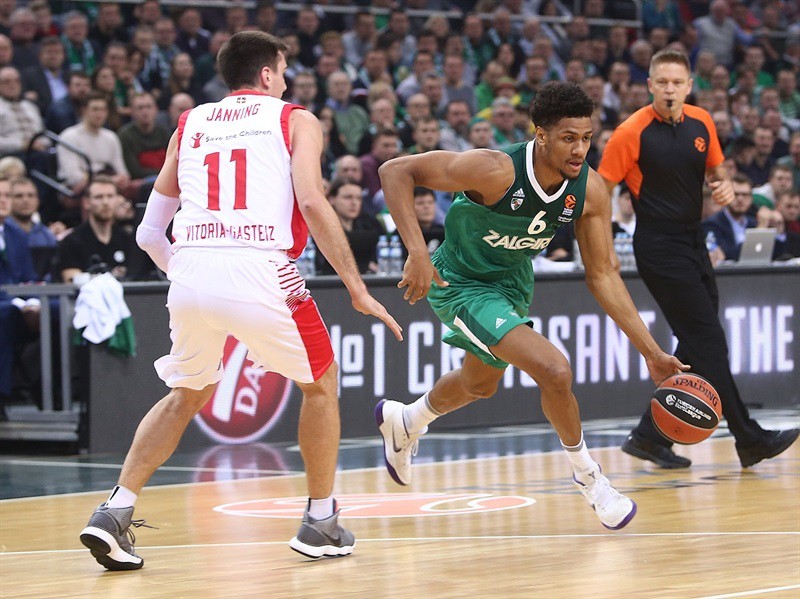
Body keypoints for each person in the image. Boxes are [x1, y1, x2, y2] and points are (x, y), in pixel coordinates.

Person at [78, 31, 402, 571]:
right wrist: (356, 286)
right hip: (260, 267)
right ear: (269, 74)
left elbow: (149, 234)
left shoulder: (189, 123)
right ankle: (321, 520)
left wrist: (195, 276)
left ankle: (115, 510)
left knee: (187, 393)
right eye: (285, 71)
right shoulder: (296, 119)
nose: (287, 82)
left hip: (191, 268)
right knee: (321, 383)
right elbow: (311, 201)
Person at [376, 81, 688, 531]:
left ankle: (406, 420)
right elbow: (395, 171)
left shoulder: (590, 191)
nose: (579, 149)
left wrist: (652, 352)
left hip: (512, 284)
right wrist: (417, 251)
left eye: (587, 138)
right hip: (460, 282)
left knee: (479, 384)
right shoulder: (494, 169)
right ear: (540, 135)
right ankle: (589, 477)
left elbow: (603, 275)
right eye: (568, 138)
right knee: (555, 370)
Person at [598, 49, 799, 470]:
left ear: (689, 86)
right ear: (650, 85)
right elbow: (599, 192)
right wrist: (601, 246)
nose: (670, 89)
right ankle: (749, 437)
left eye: (677, 82)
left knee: (696, 342)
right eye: (662, 82)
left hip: (694, 241)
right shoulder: (631, 132)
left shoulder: (702, 121)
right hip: (658, 245)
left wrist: (722, 187)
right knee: (709, 341)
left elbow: (717, 173)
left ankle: (647, 437)